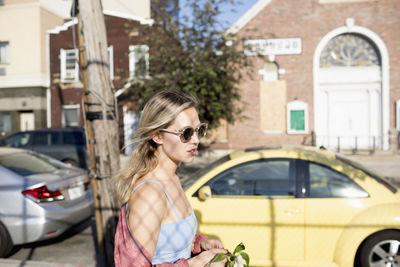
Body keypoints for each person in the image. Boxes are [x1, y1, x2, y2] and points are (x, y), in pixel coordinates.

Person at [114, 90, 227, 267]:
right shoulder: (149, 194)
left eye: (199, 130)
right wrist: (194, 265)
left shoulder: (172, 178)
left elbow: (166, 243)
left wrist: (198, 245)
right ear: (158, 136)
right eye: (186, 133)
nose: (196, 139)